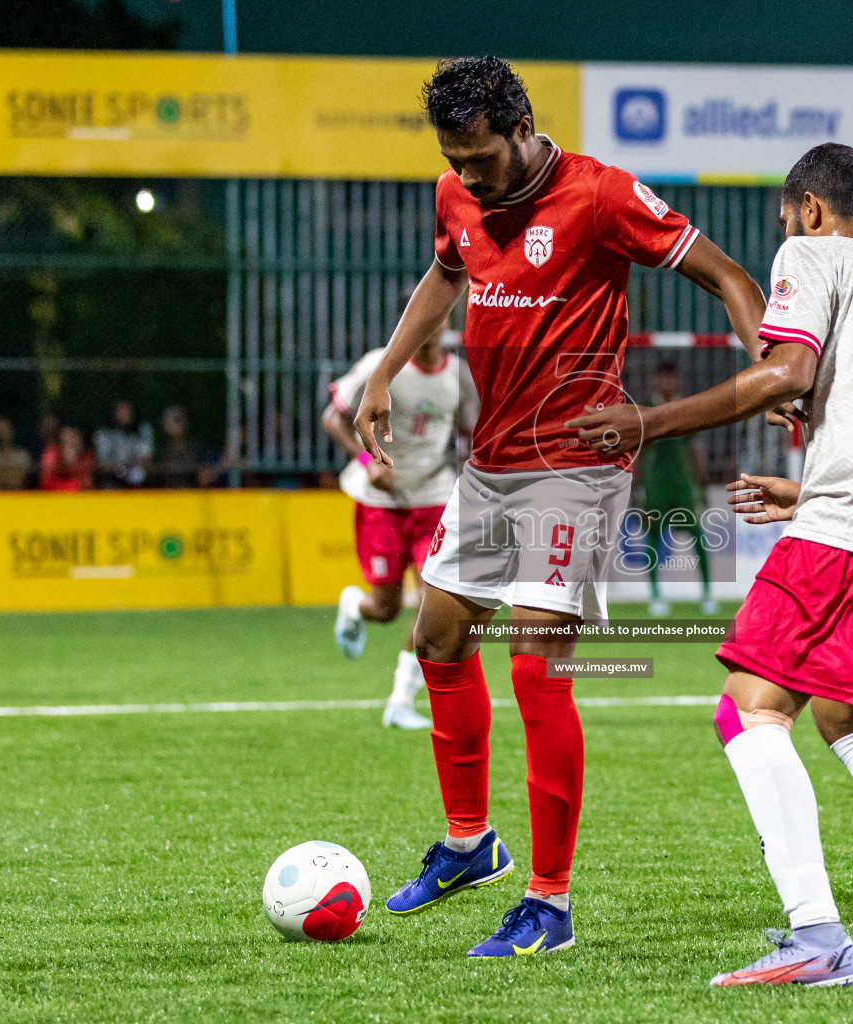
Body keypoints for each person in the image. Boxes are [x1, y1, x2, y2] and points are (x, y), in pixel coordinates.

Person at [351, 56, 767, 957]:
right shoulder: (455, 196)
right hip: (490, 462)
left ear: (523, 125)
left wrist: (773, 367)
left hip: (577, 463)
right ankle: (470, 846)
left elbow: (732, 278)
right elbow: (444, 274)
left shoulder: (602, 195)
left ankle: (550, 902)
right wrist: (384, 369)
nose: (468, 178)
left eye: (481, 160)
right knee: (438, 638)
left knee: (538, 664)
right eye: (454, 161)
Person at [570, 142, 853, 986]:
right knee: (844, 718)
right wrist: (812, 495)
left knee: (747, 709)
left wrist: (647, 422)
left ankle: (819, 937)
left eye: (784, 217)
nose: (785, 231)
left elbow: (785, 373)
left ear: (809, 208)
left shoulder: (812, 251)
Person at [327, 300, 473, 730]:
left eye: (440, 316)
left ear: (448, 322)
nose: (433, 324)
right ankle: (355, 605)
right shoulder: (381, 365)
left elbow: (472, 433)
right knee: (386, 608)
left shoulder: (457, 376)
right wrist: (367, 463)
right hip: (382, 505)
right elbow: (334, 418)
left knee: (434, 599)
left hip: (433, 498)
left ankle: (400, 702)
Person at [638, 362, 717, 616]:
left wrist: (702, 485)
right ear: (656, 381)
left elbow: (696, 449)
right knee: (653, 540)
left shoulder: (687, 408)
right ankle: (655, 596)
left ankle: (707, 594)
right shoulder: (646, 408)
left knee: (697, 536)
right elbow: (638, 450)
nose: (667, 383)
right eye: (663, 378)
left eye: (671, 378)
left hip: (683, 485)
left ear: (677, 381)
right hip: (655, 485)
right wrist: (636, 487)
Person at [94, 401, 153, 487]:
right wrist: (120, 468)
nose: (126, 414)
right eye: (121, 410)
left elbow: (147, 459)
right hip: (112, 481)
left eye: (128, 410)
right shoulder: (104, 434)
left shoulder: (143, 430)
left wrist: (133, 467)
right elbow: (102, 463)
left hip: (140, 481)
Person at [155, 406, 205, 488]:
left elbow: (205, 471)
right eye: (176, 420)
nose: (181, 423)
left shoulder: (197, 447)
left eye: (183, 419)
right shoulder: (159, 450)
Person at [40, 426, 95, 491]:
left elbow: (86, 482)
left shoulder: (86, 456)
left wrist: (74, 462)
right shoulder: (51, 454)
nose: (71, 442)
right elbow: (46, 479)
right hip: (53, 493)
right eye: (67, 440)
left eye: (74, 438)